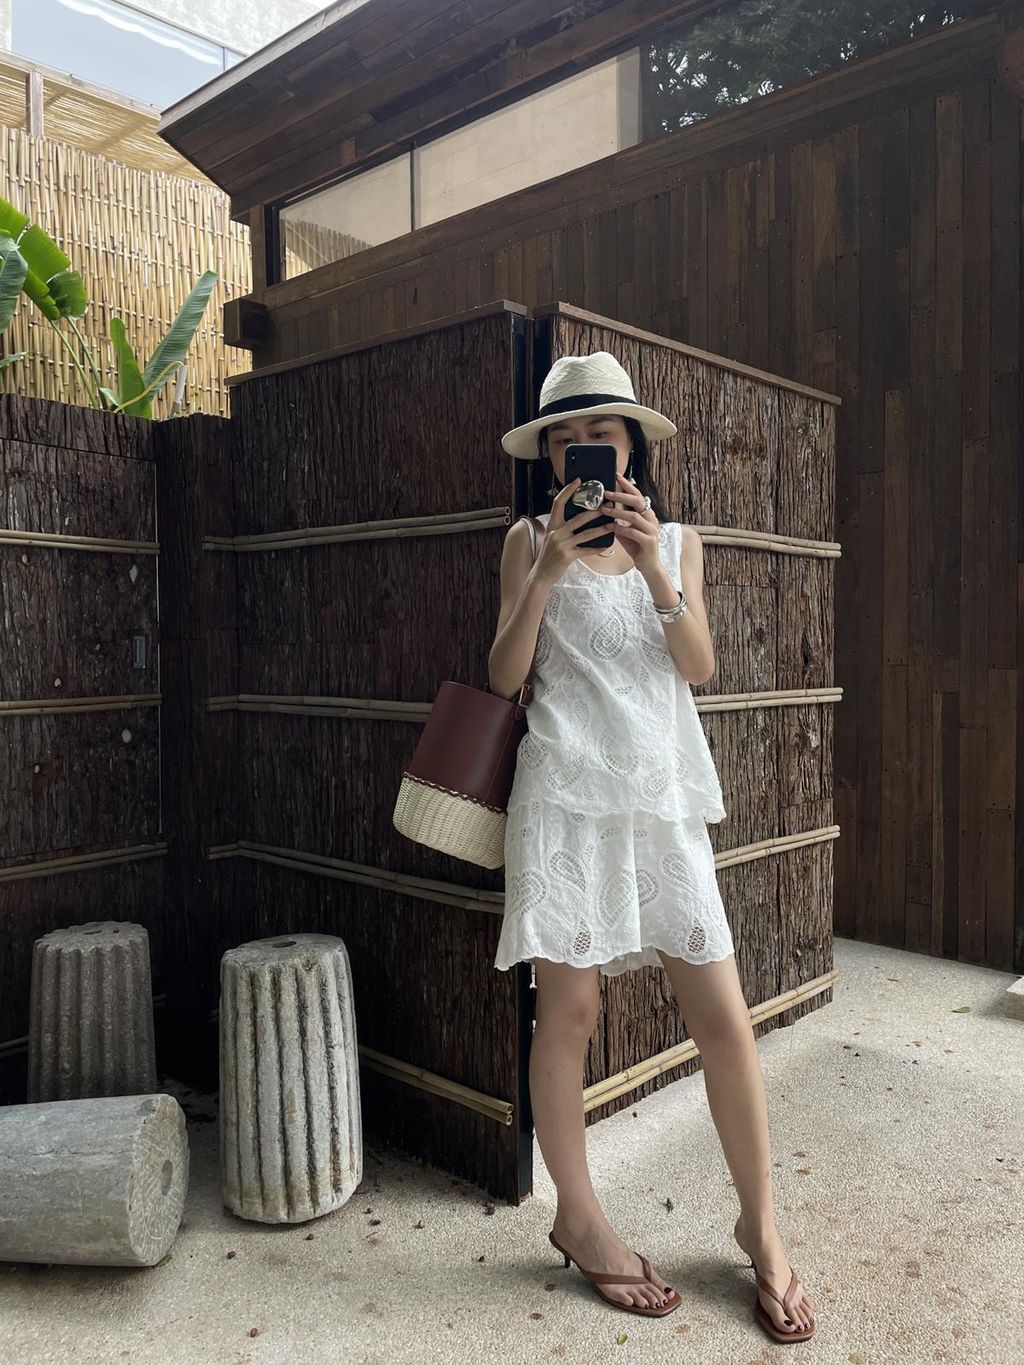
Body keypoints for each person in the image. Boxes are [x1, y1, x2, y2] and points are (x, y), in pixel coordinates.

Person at [486, 351, 816, 1342]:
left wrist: (655, 571)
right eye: (561, 440)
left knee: (722, 1014)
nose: (578, 451)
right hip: (565, 799)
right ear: (550, 458)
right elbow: (502, 676)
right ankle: (579, 1219)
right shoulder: (525, 540)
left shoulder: (677, 540)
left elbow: (698, 665)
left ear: (631, 445)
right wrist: (547, 571)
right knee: (568, 1014)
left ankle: (760, 1226)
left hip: (661, 801)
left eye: (597, 434)